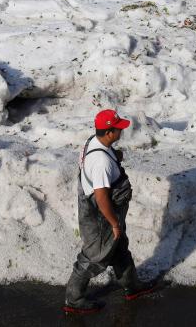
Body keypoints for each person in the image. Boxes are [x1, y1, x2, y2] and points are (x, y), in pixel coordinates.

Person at [63, 109, 158, 314]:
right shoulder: (101, 163)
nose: (121, 131)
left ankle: (133, 287)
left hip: (108, 214)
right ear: (108, 133)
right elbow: (101, 197)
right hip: (101, 217)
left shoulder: (94, 142)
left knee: (119, 249)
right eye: (118, 129)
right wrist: (114, 223)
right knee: (94, 256)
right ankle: (74, 299)